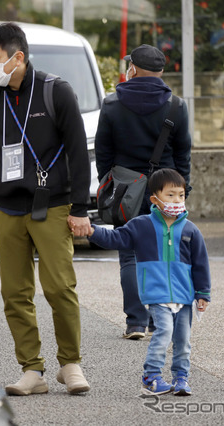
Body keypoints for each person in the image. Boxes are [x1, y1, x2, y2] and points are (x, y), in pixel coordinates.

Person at [0, 22, 91, 395]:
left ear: (18, 57)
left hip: (53, 204)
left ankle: (70, 364)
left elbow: (78, 150)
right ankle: (32, 370)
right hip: (7, 208)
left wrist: (80, 208)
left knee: (60, 287)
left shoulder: (55, 92)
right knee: (14, 293)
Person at [95, 44, 192, 340]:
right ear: (160, 73)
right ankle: (159, 320)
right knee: (163, 254)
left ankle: (136, 322)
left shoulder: (112, 104)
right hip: (165, 190)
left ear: (133, 69)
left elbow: (104, 152)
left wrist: (110, 184)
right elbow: (184, 154)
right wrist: (181, 191)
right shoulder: (176, 106)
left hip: (125, 189)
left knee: (129, 255)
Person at [84, 168, 210, 396]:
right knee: (163, 332)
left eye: (180, 195)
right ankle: (151, 376)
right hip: (157, 294)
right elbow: (116, 238)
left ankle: (181, 378)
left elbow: (201, 265)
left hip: (184, 296)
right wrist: (92, 231)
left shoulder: (191, 230)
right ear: (155, 199)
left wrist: (203, 293)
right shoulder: (141, 225)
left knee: (183, 341)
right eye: (170, 195)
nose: (177, 200)